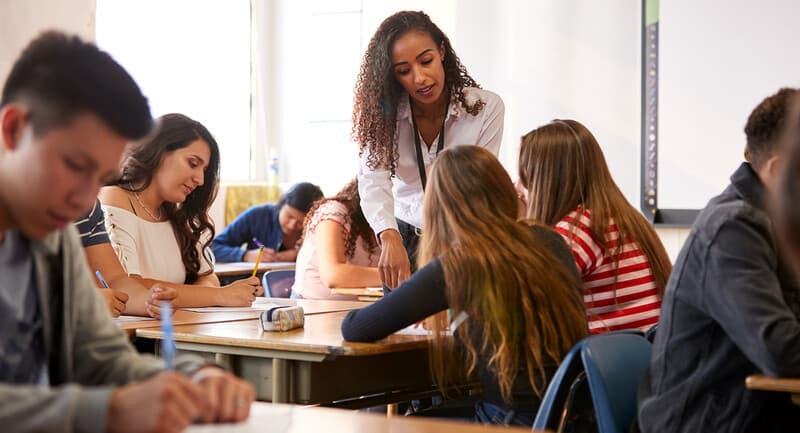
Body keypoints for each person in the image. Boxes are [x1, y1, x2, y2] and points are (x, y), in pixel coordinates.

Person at [0, 31, 253, 433]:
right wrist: (106, 411)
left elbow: (100, 356)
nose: (86, 202)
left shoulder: (52, 236)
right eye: (75, 166)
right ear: (13, 130)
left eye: (100, 177)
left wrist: (194, 377)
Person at [341, 146, 587, 425]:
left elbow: (355, 327)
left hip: (511, 420)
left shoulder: (461, 262)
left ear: (440, 208)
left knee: (394, 424)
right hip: (571, 415)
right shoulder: (550, 240)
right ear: (503, 188)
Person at [637, 88, 800, 432]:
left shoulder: (776, 223)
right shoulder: (734, 228)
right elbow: (780, 349)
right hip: (705, 420)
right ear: (780, 170)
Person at [353, 10, 505, 288]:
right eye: (403, 71)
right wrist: (388, 237)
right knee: (400, 332)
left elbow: (480, 183)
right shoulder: (382, 118)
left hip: (461, 236)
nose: (419, 78)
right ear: (392, 75)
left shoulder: (485, 109)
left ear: (442, 51)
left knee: (458, 330)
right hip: (402, 239)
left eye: (426, 61)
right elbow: (373, 180)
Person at [518, 119, 672, 333]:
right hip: (646, 357)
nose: (518, 188)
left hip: (605, 362)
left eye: (524, 178)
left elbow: (523, 303)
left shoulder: (577, 230)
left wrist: (516, 225)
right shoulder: (622, 217)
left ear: (546, 182)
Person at [100, 113, 263, 307]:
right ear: (159, 152)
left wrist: (217, 293)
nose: (200, 180)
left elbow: (208, 278)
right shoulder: (113, 198)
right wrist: (220, 296)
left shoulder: (177, 214)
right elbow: (131, 287)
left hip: (177, 327)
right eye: (193, 164)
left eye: (204, 170)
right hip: (136, 334)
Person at [292, 179, 381, 300]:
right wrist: (402, 277)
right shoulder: (334, 212)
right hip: (313, 308)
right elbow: (333, 275)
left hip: (358, 309)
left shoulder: (394, 223)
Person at [211, 182, 323, 263]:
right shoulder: (257, 215)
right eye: (289, 216)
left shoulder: (322, 225)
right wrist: (244, 255)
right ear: (281, 205)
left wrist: (298, 254)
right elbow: (213, 247)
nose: (292, 225)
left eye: (301, 222)